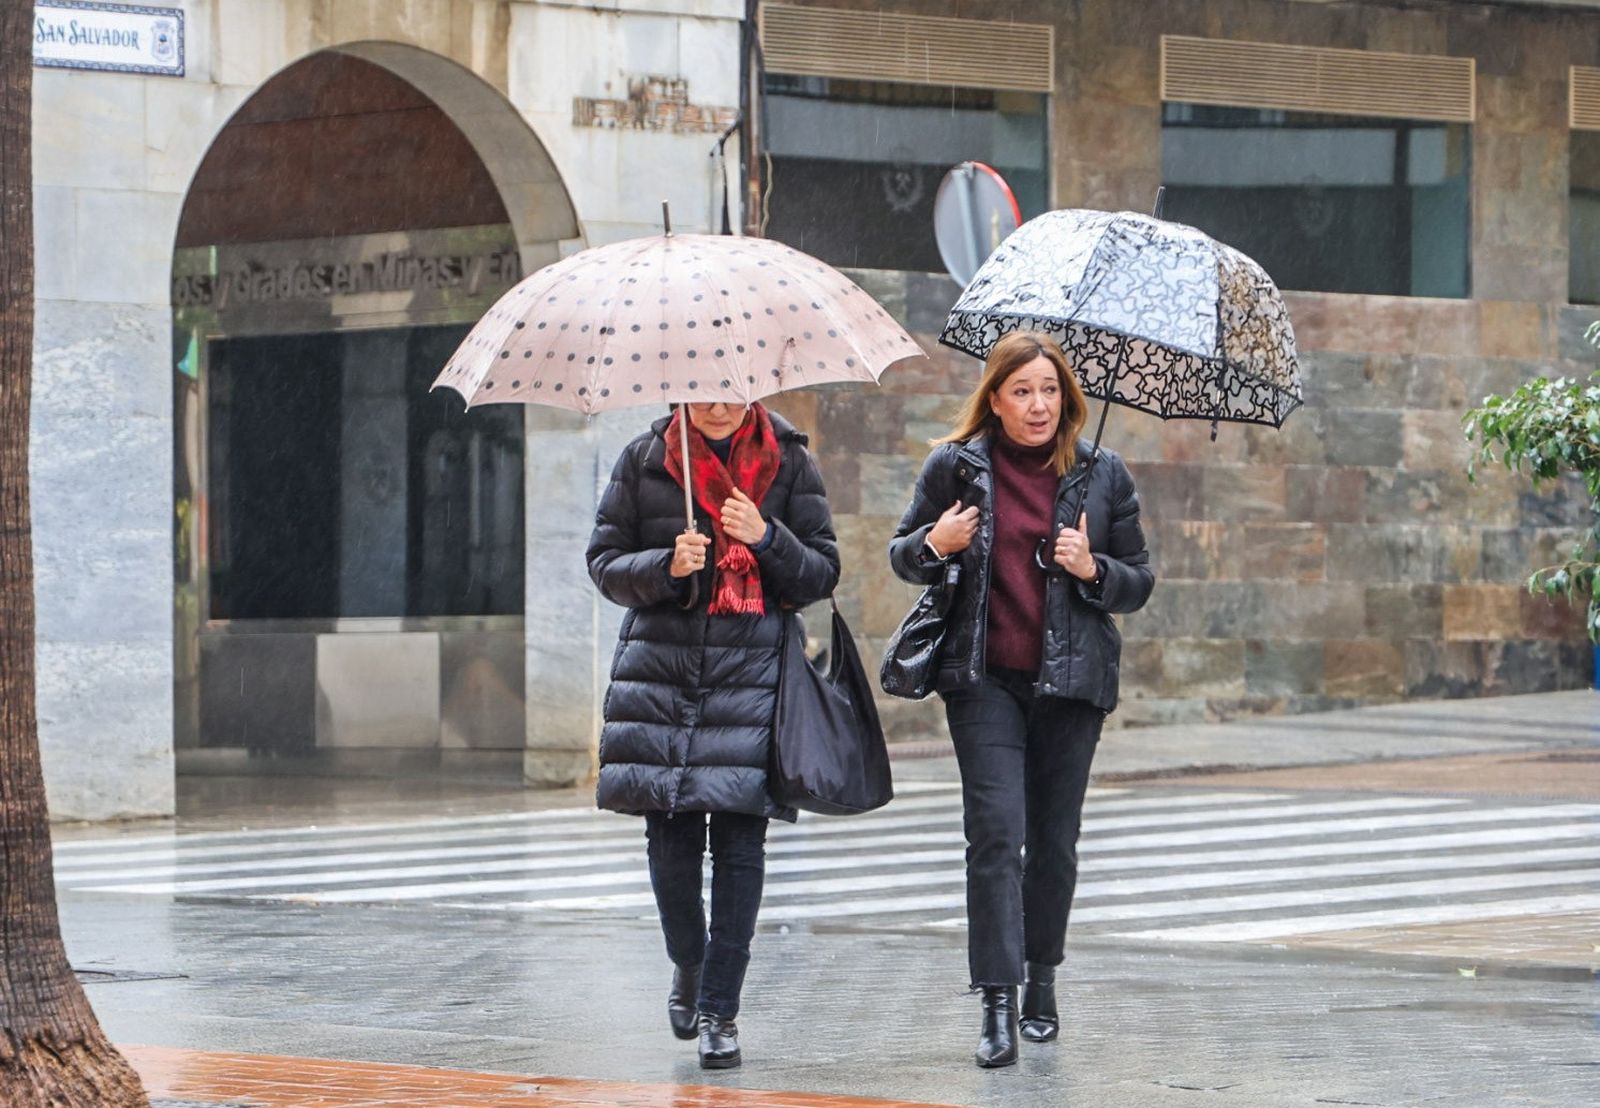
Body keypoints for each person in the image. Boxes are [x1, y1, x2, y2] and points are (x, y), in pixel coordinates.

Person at [887, 331, 1154, 1069]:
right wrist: (935, 543)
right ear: (995, 400)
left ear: (1065, 399)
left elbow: (1138, 579)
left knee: (1054, 846)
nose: (1038, 405)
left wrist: (1092, 567)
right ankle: (997, 1000)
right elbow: (902, 553)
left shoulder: (1102, 474)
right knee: (996, 837)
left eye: (1049, 391)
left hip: (1070, 686)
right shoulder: (956, 466)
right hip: (984, 682)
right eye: (1022, 391)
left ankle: (1042, 980)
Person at [587, 399, 839, 1070]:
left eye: (734, 383)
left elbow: (821, 572)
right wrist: (665, 567)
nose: (721, 400)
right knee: (669, 847)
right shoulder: (646, 460)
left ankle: (721, 1011)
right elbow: (604, 561)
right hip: (662, 674)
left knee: (739, 846)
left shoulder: (789, 460)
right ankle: (690, 965)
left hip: (753, 675)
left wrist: (766, 537)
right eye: (706, 385)